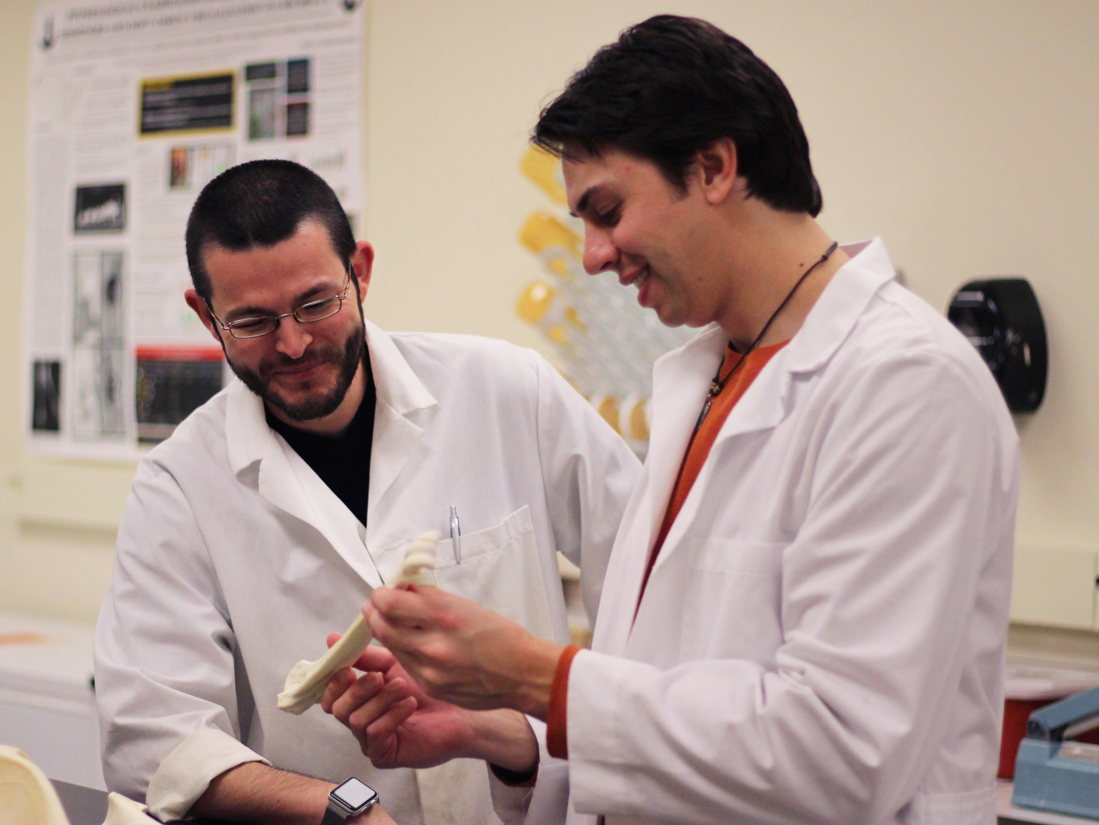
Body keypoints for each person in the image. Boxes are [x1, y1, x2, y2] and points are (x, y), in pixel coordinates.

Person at [326, 15, 1019, 825]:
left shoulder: (905, 383)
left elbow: (841, 750)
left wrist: (536, 676)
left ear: (714, 167)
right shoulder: (705, 379)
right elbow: (669, 702)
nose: (592, 254)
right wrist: (495, 731)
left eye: (607, 209)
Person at [93, 159, 640, 825]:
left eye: (316, 303)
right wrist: (340, 808)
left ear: (362, 271)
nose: (294, 343)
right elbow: (156, 739)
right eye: (253, 321)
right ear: (206, 317)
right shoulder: (180, 485)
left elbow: (653, 590)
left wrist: (525, 735)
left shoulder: (507, 390)